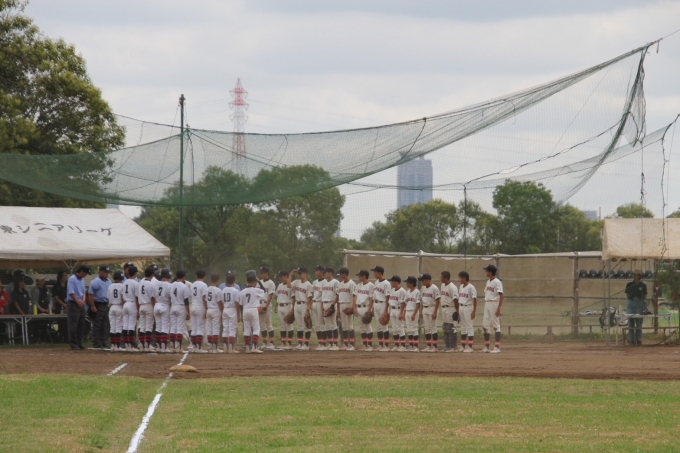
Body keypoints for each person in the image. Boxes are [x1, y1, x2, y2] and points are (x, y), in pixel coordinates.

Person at [239, 271, 264, 354]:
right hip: (253, 310)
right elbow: (263, 290)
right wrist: (259, 281)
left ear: (246, 281)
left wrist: (241, 314)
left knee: (247, 330)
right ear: (254, 282)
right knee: (256, 329)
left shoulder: (242, 291)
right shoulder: (256, 290)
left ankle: (247, 348)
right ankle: (254, 347)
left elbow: (240, 304)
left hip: (245, 310)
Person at [87, 266, 112, 349]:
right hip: (98, 303)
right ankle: (96, 341)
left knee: (105, 324)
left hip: (106, 304)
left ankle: (104, 341)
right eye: (105, 272)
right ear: (100, 272)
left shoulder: (109, 282)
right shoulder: (95, 282)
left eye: (107, 273)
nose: (106, 274)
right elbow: (91, 294)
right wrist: (93, 305)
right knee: (97, 324)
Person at [67, 265, 90, 350]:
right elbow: (71, 292)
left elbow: (84, 292)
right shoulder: (72, 279)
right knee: (73, 324)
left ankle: (80, 342)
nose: (85, 275)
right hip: (73, 303)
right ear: (82, 271)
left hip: (81, 303)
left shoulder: (82, 280)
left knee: (81, 324)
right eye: (85, 273)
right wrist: (77, 301)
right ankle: (73, 343)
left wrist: (83, 301)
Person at [482, 265, 504, 354]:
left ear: (490, 272)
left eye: (487, 271)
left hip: (494, 303)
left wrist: (499, 308)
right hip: (487, 303)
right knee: (485, 325)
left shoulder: (497, 282)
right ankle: (487, 347)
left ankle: (497, 347)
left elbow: (501, 295)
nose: (486, 272)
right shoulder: (488, 282)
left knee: (496, 326)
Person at [290, 267, 313, 350]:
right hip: (297, 304)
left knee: (306, 325)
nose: (299, 275)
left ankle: (306, 345)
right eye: (298, 273)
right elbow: (288, 286)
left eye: (301, 273)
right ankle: (300, 344)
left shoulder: (309, 285)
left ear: (305, 273)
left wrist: (308, 309)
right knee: (299, 325)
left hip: (304, 304)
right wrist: (291, 275)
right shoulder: (296, 282)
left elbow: (310, 298)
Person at [335, 267, 357, 351]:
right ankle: (346, 344)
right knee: (344, 326)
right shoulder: (340, 284)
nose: (339, 275)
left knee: (350, 325)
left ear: (344, 274)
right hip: (341, 304)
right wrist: (338, 309)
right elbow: (338, 297)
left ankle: (352, 345)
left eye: (340, 274)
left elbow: (354, 296)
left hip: (349, 304)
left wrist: (353, 307)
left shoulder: (352, 283)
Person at [419, 273, 441, 352]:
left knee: (433, 328)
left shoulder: (434, 288)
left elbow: (438, 300)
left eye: (423, 280)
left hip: (432, 308)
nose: (422, 282)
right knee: (427, 328)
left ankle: (435, 347)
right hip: (425, 308)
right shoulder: (423, 288)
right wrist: (421, 311)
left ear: (428, 280)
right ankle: (428, 346)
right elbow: (422, 300)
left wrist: (435, 312)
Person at [170, 270, 191, 352]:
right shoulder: (184, 286)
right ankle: (178, 347)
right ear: (184, 277)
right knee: (180, 328)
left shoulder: (172, 285)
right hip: (181, 306)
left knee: (173, 327)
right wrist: (188, 312)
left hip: (173, 306)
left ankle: (173, 347)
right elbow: (186, 301)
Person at [625, 269, 648, 346]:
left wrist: (642, 301)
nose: (634, 276)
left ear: (639, 276)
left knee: (639, 323)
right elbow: (627, 294)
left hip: (639, 304)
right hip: (631, 303)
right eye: (634, 275)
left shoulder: (643, 285)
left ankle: (639, 340)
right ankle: (631, 340)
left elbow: (645, 295)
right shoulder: (629, 284)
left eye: (636, 275)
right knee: (630, 322)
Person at [370, 266, 391, 351]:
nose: (374, 274)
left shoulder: (386, 283)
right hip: (376, 304)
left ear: (379, 273)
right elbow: (374, 296)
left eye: (375, 272)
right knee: (378, 326)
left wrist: (386, 310)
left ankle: (386, 346)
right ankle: (381, 345)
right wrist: (372, 308)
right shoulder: (376, 282)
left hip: (383, 304)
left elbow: (388, 297)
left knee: (384, 325)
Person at [152, 269, 173, 353]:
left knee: (158, 327)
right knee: (165, 327)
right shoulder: (169, 285)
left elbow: (153, 296)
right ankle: (164, 347)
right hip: (165, 305)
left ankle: (158, 346)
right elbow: (171, 298)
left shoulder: (156, 284)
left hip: (157, 304)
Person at [137, 267, 156, 352]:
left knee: (142, 326)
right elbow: (152, 297)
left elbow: (137, 296)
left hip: (141, 305)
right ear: (152, 275)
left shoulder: (140, 283)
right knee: (149, 326)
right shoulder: (151, 284)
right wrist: (154, 307)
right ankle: (147, 345)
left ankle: (142, 344)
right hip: (148, 305)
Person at [457, 271, 477, 353]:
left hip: (468, 307)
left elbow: (475, 299)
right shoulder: (461, 287)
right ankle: (463, 345)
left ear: (464, 278)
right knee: (463, 327)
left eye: (460, 278)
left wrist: (474, 311)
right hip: (461, 306)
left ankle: (470, 347)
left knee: (469, 326)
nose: (459, 279)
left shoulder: (471, 287)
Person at [121, 266, 140, 352]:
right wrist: (138, 309)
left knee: (125, 325)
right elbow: (136, 297)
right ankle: (131, 346)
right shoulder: (136, 283)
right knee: (131, 326)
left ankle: (127, 345)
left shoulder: (124, 282)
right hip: (132, 304)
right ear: (136, 273)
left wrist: (123, 306)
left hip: (125, 303)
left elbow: (122, 296)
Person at [440, 271, 459, 353]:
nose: (440, 278)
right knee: (445, 327)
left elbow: (456, 300)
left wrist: (457, 311)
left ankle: (453, 347)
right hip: (444, 308)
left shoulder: (452, 287)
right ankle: (447, 346)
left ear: (446, 278)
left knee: (451, 328)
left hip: (450, 308)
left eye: (441, 277)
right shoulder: (442, 285)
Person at [321, 267, 340, 351]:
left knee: (333, 324)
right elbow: (322, 294)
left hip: (331, 304)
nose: (324, 274)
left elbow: (337, 295)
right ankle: (330, 343)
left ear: (330, 273)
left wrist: (333, 305)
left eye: (326, 272)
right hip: (325, 303)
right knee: (327, 325)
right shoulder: (324, 282)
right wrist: (322, 305)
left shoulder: (336, 282)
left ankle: (335, 344)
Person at [355, 270, 374, 351]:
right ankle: (365, 345)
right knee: (361, 327)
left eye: (360, 276)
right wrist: (354, 308)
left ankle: (370, 345)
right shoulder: (358, 285)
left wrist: (369, 310)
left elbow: (371, 298)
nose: (358, 277)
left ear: (364, 276)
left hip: (366, 307)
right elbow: (355, 297)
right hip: (358, 307)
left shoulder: (371, 285)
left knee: (367, 326)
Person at [221, 271, 240, 353]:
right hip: (232, 309)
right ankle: (231, 348)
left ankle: (225, 348)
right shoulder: (235, 291)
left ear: (226, 281)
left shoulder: (223, 290)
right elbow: (237, 303)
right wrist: (238, 314)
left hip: (225, 308)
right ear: (234, 281)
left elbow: (222, 302)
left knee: (225, 328)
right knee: (232, 329)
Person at [189, 270, 208, 353]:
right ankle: (199, 348)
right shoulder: (204, 285)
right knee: (200, 328)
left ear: (196, 276)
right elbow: (204, 298)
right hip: (200, 306)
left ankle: (194, 347)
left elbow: (191, 296)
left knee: (194, 328)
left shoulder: (192, 284)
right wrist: (206, 309)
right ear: (205, 276)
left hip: (193, 306)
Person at [258, 266, 276, 350]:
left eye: (263, 273)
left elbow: (270, 295)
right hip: (260, 304)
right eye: (261, 273)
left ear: (267, 273)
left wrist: (266, 306)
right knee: (262, 325)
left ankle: (271, 343)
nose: (261, 274)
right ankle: (264, 343)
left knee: (268, 324)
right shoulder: (259, 282)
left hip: (266, 304)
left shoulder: (271, 283)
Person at [275, 270, 294, 349]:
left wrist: (292, 309)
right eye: (279, 277)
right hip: (280, 306)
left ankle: (289, 344)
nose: (280, 278)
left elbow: (293, 297)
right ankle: (283, 343)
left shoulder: (290, 285)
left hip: (287, 306)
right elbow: (278, 296)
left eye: (281, 276)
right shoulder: (280, 285)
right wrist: (276, 306)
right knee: (282, 325)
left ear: (286, 276)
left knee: (289, 325)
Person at [205, 274, 224, 353]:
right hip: (215, 309)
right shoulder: (218, 290)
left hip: (209, 309)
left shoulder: (207, 289)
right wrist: (222, 311)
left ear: (211, 279)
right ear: (218, 280)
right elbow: (219, 302)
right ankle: (215, 348)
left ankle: (211, 347)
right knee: (215, 329)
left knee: (209, 329)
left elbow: (205, 300)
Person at [387, 276, 407, 351]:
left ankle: (403, 346)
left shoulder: (402, 291)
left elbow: (403, 303)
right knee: (394, 328)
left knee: (400, 327)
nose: (391, 283)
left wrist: (401, 313)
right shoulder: (392, 290)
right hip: (392, 309)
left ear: (396, 282)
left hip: (399, 309)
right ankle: (397, 345)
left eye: (392, 281)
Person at [107, 270, 125, 352]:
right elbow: (122, 298)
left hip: (112, 307)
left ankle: (113, 345)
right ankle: (117, 346)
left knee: (112, 327)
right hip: (119, 306)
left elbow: (108, 299)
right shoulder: (122, 286)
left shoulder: (110, 286)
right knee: (118, 327)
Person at [403, 276, 422, 352]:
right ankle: (411, 346)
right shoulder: (407, 292)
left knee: (414, 329)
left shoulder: (417, 292)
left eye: (407, 282)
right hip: (407, 311)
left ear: (411, 283)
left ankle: (416, 347)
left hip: (413, 311)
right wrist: (404, 313)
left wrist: (414, 314)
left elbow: (418, 304)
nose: (406, 284)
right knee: (409, 329)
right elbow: (406, 303)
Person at [311, 265, 327, 350]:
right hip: (314, 303)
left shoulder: (325, 282)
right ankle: (320, 343)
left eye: (317, 270)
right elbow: (312, 294)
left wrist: (322, 305)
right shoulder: (314, 282)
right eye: (316, 270)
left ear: (322, 272)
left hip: (320, 303)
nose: (316, 272)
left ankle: (323, 344)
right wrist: (309, 305)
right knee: (317, 325)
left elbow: (324, 295)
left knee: (322, 324)